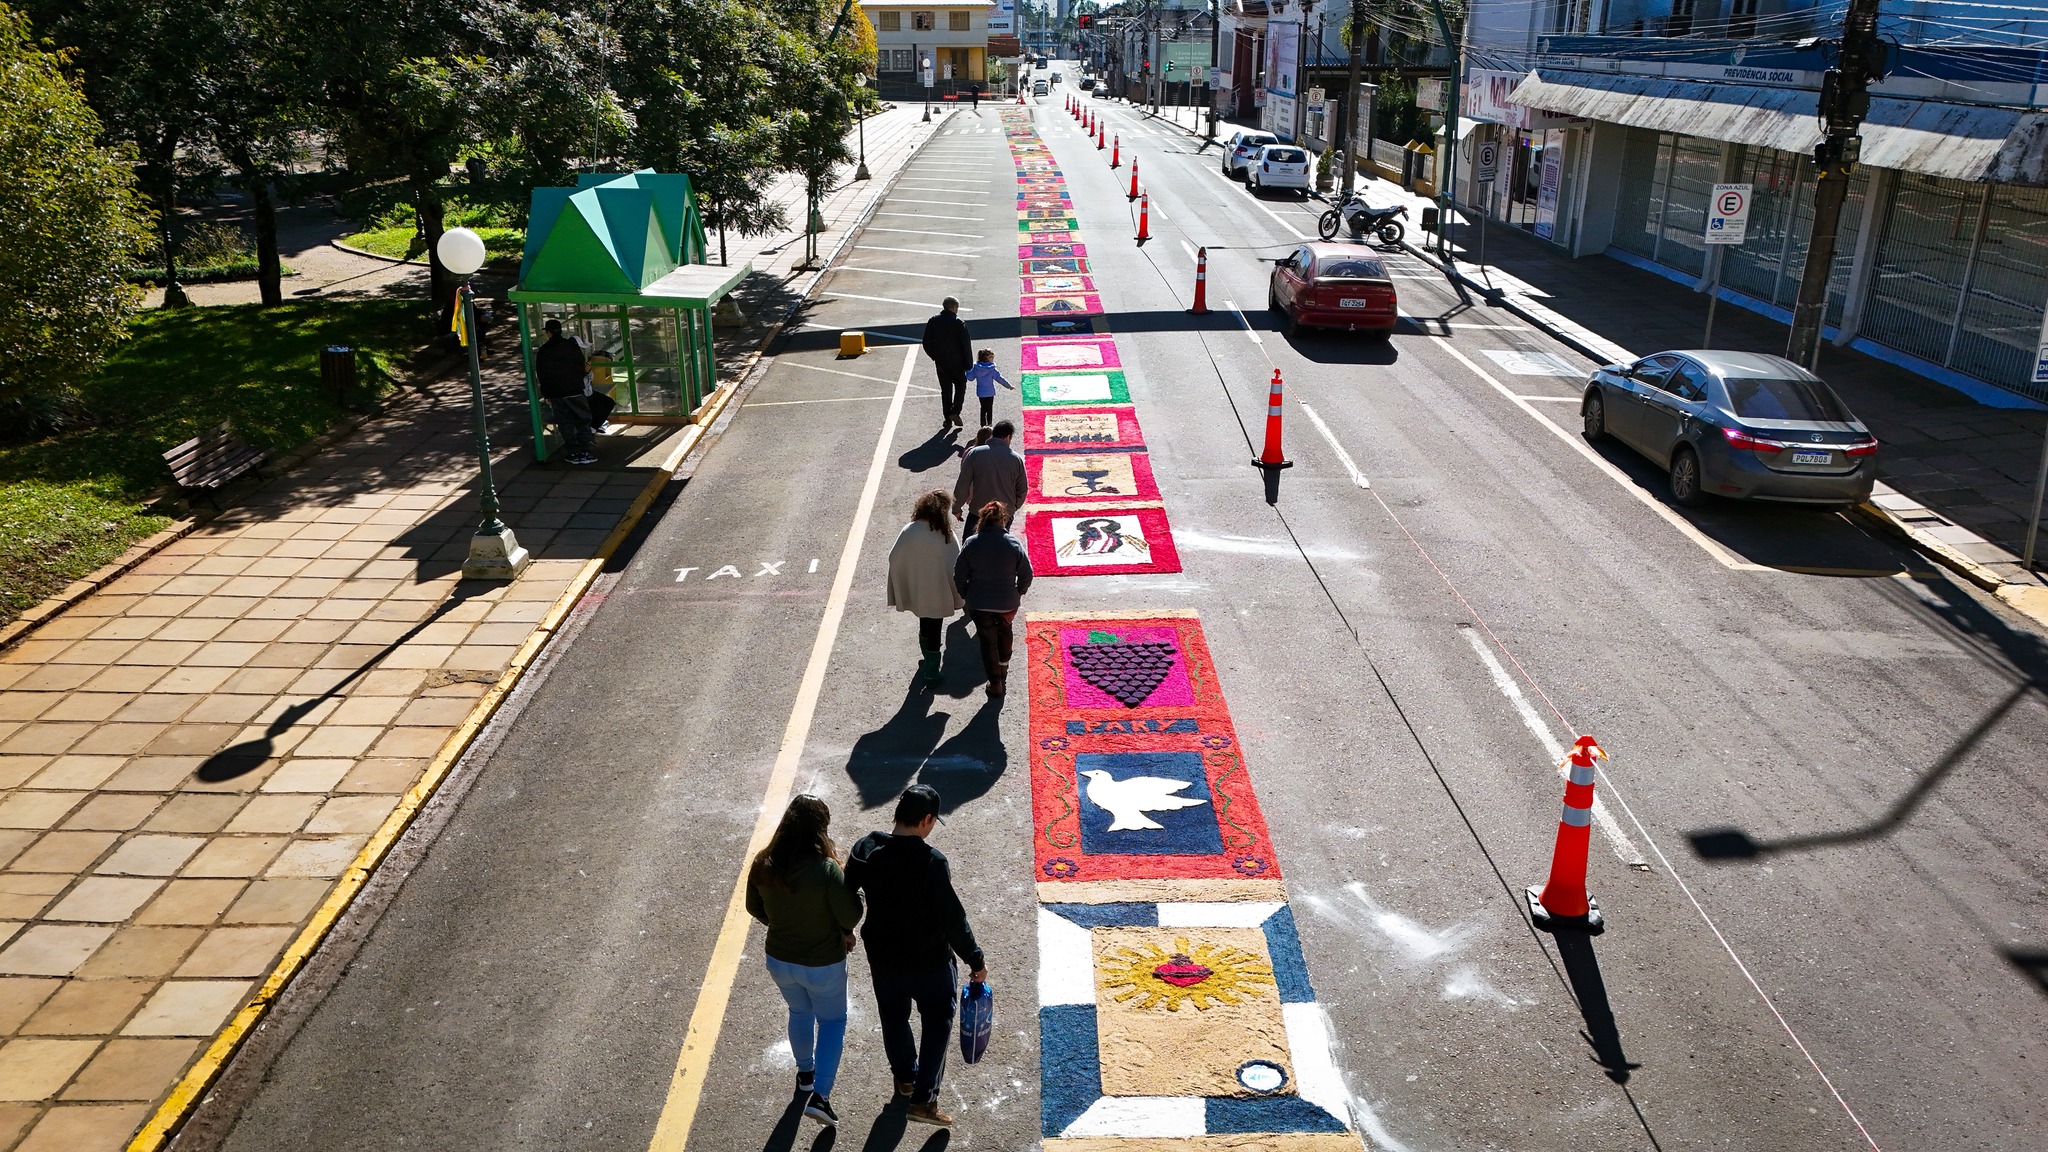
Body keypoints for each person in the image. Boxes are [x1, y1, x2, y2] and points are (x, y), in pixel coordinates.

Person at [846, 785, 987, 1128]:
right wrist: (975, 959)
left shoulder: (865, 848)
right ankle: (924, 1100)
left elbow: (846, 892)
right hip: (929, 962)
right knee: (938, 1022)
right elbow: (952, 918)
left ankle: (905, 1079)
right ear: (926, 820)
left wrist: (845, 929)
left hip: (883, 957)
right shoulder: (931, 862)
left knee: (894, 1018)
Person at [745, 795, 863, 1128]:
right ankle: (821, 1098)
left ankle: (805, 1075)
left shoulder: (763, 863)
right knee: (832, 1022)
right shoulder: (825, 869)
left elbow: (755, 908)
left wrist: (783, 922)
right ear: (819, 831)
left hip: (779, 961)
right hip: (822, 964)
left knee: (799, 1012)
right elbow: (850, 913)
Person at [953, 501, 1032, 698]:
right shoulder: (1013, 543)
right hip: (1007, 602)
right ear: (1003, 519)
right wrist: (1018, 593)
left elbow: (959, 574)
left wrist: (965, 594)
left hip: (979, 602)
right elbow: (1026, 574)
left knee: (987, 641)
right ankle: (1003, 669)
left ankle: (995, 682)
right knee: (1005, 630)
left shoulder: (971, 543)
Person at [887, 490, 964, 687]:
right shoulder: (945, 534)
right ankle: (931, 672)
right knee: (935, 628)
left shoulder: (909, 530)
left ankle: (926, 658)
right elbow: (956, 561)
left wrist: (907, 577)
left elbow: (894, 556)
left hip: (919, 590)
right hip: (938, 591)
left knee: (924, 623)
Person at [535, 318, 597, 465]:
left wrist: (546, 393)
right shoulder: (572, 346)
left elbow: (542, 374)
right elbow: (581, 367)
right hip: (575, 390)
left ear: (548, 333)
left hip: (557, 393)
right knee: (583, 420)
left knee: (565, 423)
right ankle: (585, 451)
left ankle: (573, 453)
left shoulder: (544, 351)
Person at [953, 420, 1026, 526]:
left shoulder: (975, 453)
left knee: (971, 541)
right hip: (1004, 513)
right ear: (1008, 437)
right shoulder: (1016, 459)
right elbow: (1022, 489)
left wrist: (957, 507)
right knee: (1000, 542)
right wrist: (1013, 508)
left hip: (978, 511)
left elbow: (963, 483)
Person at [921, 297, 973, 430]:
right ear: (954, 307)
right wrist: (968, 364)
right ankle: (955, 412)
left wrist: (935, 356)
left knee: (946, 390)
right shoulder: (958, 323)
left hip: (941, 363)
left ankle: (947, 419)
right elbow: (966, 345)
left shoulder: (933, 321)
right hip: (957, 363)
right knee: (960, 386)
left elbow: (926, 342)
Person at [964, 349, 1013, 429]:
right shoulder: (991, 369)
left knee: (983, 408)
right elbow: (999, 378)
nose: (992, 359)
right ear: (986, 358)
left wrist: (967, 371)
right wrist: (1008, 386)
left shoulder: (976, 368)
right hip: (990, 392)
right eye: (991, 357)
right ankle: (989, 425)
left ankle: (983, 426)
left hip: (981, 393)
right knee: (989, 408)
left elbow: (970, 378)